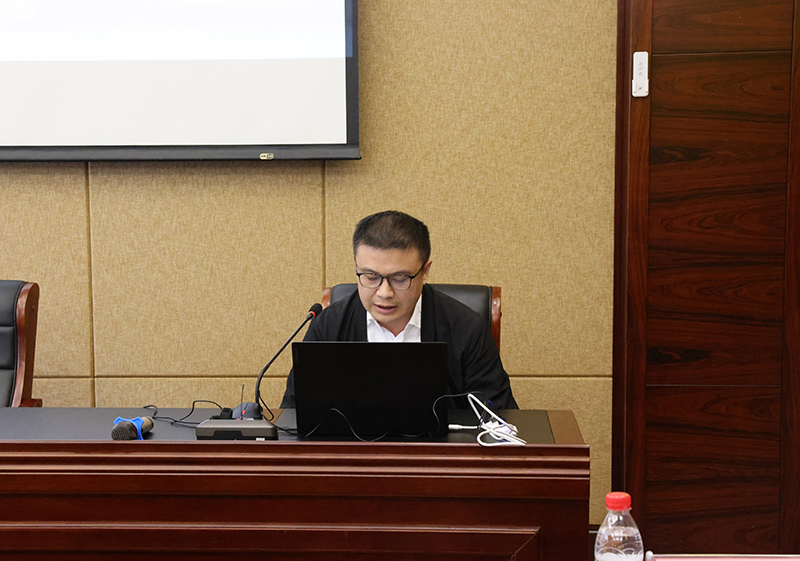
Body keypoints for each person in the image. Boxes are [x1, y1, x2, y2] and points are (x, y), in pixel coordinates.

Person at [280, 210, 517, 410]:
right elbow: (294, 415)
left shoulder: (467, 328)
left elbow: (499, 419)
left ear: (425, 272)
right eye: (370, 277)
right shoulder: (328, 327)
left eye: (400, 278)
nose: (384, 292)